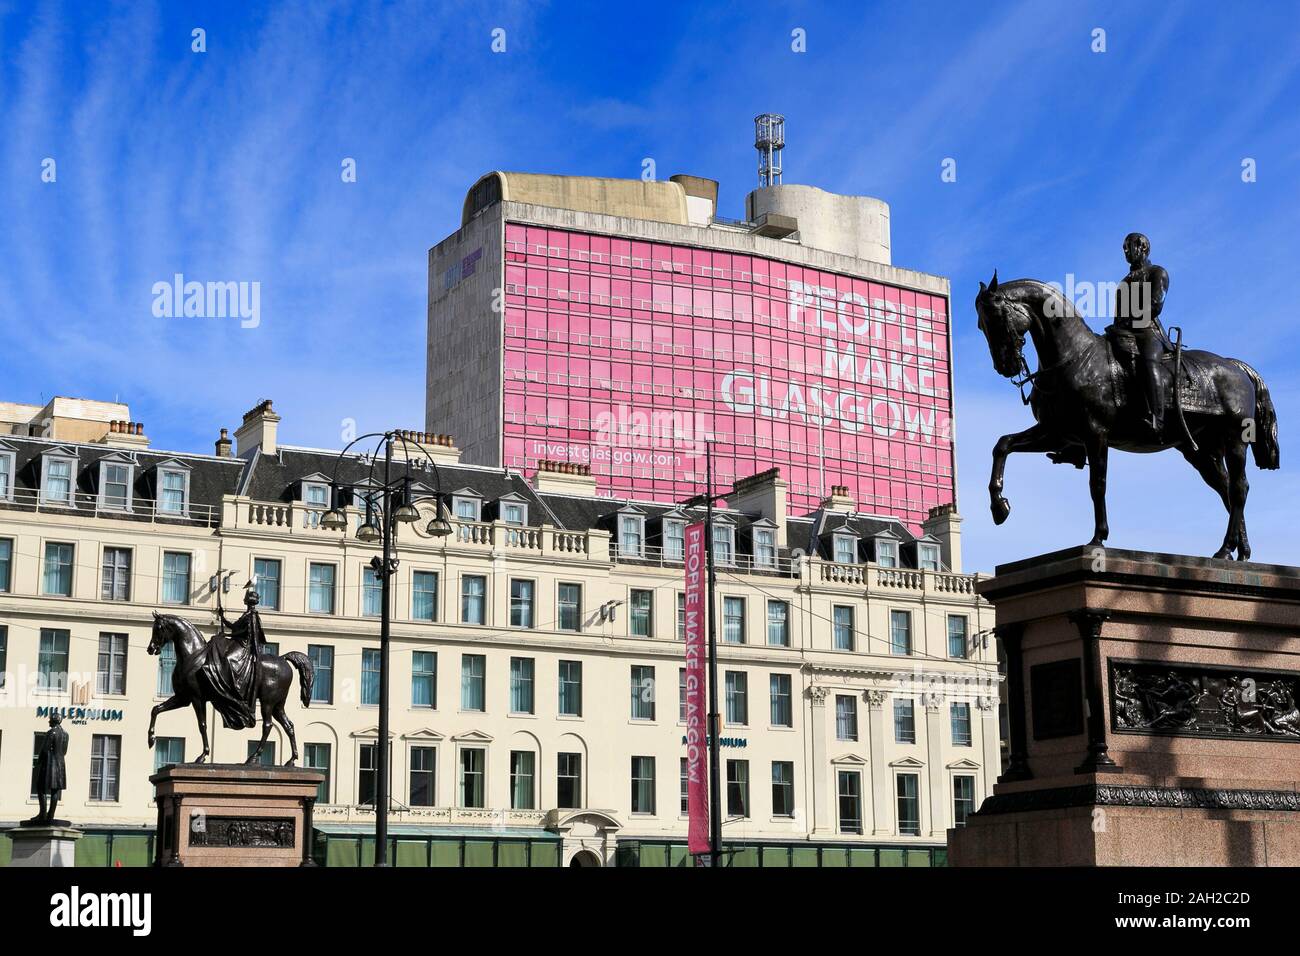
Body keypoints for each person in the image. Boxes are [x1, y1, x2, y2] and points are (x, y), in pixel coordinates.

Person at [1112, 232, 1171, 435]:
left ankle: (1158, 418)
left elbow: (1155, 305)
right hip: (1123, 332)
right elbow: (1118, 315)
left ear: (1143, 248)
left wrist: (1129, 321)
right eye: (1124, 248)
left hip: (1148, 331)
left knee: (1148, 361)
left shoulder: (1157, 272)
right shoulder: (1123, 283)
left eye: (1130, 246)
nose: (1126, 251)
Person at [200, 586, 268, 729]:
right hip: (238, 641)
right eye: (248, 602)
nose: (248, 604)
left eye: (249, 602)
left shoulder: (252, 616)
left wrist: (231, 634)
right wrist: (223, 617)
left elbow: (244, 632)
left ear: (251, 603)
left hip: (244, 645)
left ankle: (231, 683)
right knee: (217, 641)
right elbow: (235, 626)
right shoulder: (246, 615)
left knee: (228, 658)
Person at [26, 713, 69, 826]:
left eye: (50, 720)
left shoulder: (51, 732)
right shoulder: (65, 734)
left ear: (54, 721)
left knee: (41, 788)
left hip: (50, 764)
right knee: (55, 790)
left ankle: (43, 813)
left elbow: (45, 750)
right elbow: (64, 751)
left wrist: (38, 762)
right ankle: (51, 815)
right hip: (60, 765)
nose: (48, 721)